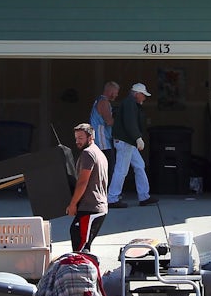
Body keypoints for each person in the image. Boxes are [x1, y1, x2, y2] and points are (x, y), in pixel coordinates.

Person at [107, 82, 157, 208]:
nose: (144, 98)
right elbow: (130, 122)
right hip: (125, 142)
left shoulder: (130, 103)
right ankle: (112, 198)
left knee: (140, 165)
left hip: (127, 142)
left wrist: (136, 139)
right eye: (143, 95)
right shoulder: (129, 103)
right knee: (121, 170)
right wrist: (138, 138)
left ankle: (144, 196)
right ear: (137, 94)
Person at [66, 122, 109, 252]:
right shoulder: (99, 153)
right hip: (96, 207)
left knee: (81, 247)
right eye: (76, 138)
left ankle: (82, 272)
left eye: (81, 138)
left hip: (91, 208)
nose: (77, 141)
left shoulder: (88, 153)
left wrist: (72, 204)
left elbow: (83, 181)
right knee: (81, 243)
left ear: (90, 138)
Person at [88, 81, 119, 172]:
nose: (117, 95)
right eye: (116, 92)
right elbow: (109, 121)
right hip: (102, 141)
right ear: (111, 91)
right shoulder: (104, 102)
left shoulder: (99, 100)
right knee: (108, 169)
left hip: (100, 139)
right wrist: (121, 123)